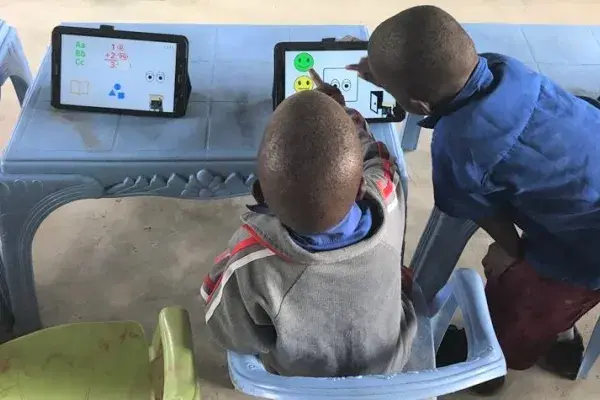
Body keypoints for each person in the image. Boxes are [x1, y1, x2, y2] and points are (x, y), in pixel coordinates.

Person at [347, 4, 600, 392]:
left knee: (516, 300)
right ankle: (563, 337)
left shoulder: (458, 144)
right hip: (587, 191)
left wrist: (513, 251)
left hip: (583, 256)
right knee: (554, 299)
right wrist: (385, 73)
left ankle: (490, 364)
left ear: (418, 107)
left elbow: (473, 209)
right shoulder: (506, 69)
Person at [201, 70, 417, 377]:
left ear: (260, 193)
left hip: (300, 384)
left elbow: (233, 333)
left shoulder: (250, 259)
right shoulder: (388, 194)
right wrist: (345, 114)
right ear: (359, 188)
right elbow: (379, 159)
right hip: (387, 366)